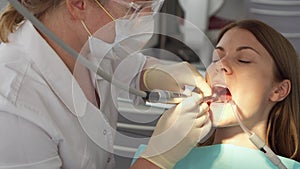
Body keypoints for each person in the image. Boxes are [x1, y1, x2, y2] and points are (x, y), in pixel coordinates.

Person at [0, 0, 215, 168]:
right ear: (78, 4)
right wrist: (157, 159)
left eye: (153, 5)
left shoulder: (90, 40)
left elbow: (122, 65)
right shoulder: (13, 105)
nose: (147, 17)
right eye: (134, 8)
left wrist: (158, 73)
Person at [134, 19, 300, 168]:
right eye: (215, 58)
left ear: (279, 90)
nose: (221, 65)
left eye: (244, 60)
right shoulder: (157, 156)